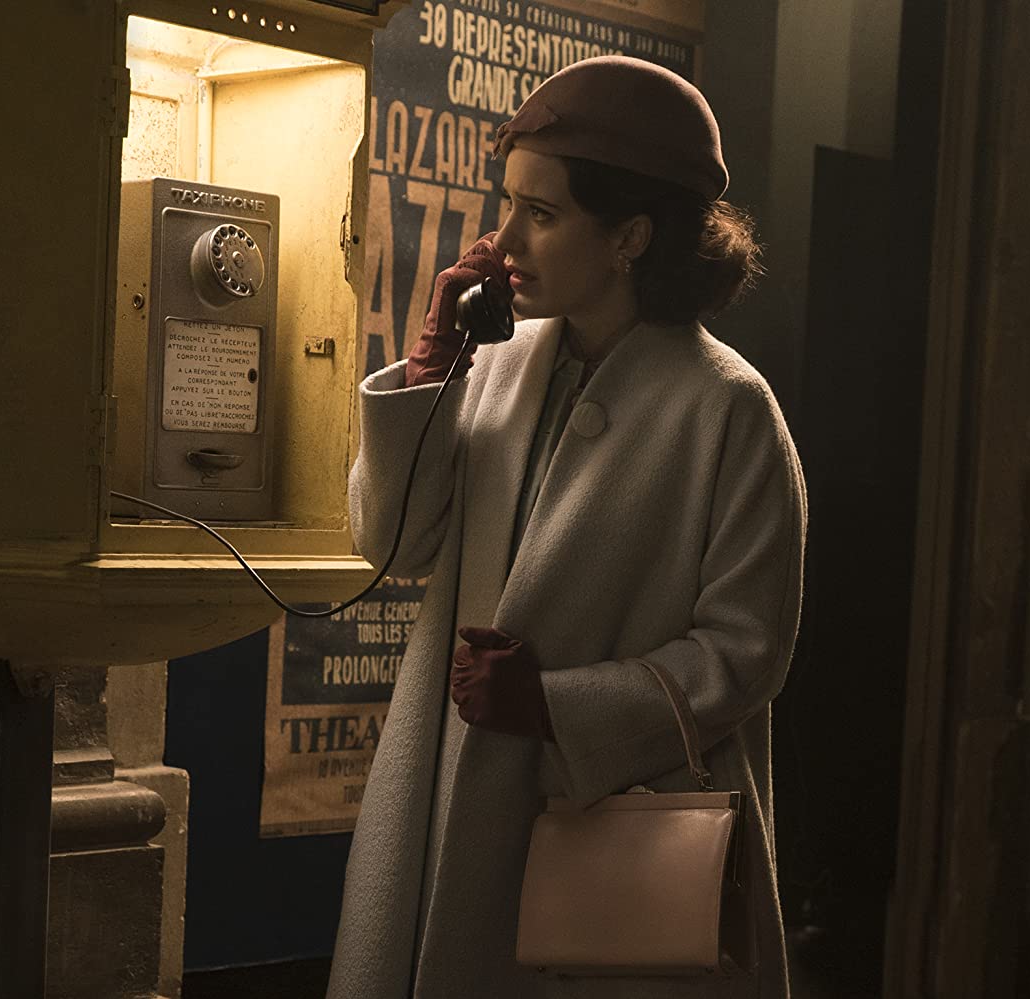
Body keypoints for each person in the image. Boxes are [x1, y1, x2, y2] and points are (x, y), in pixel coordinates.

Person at [328, 55, 806, 999]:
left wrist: (555, 704)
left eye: (540, 214)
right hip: (447, 810)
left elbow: (745, 655)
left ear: (630, 236)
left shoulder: (730, 408)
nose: (504, 238)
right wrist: (430, 364)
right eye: (508, 204)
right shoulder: (495, 362)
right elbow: (391, 543)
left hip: (616, 852)